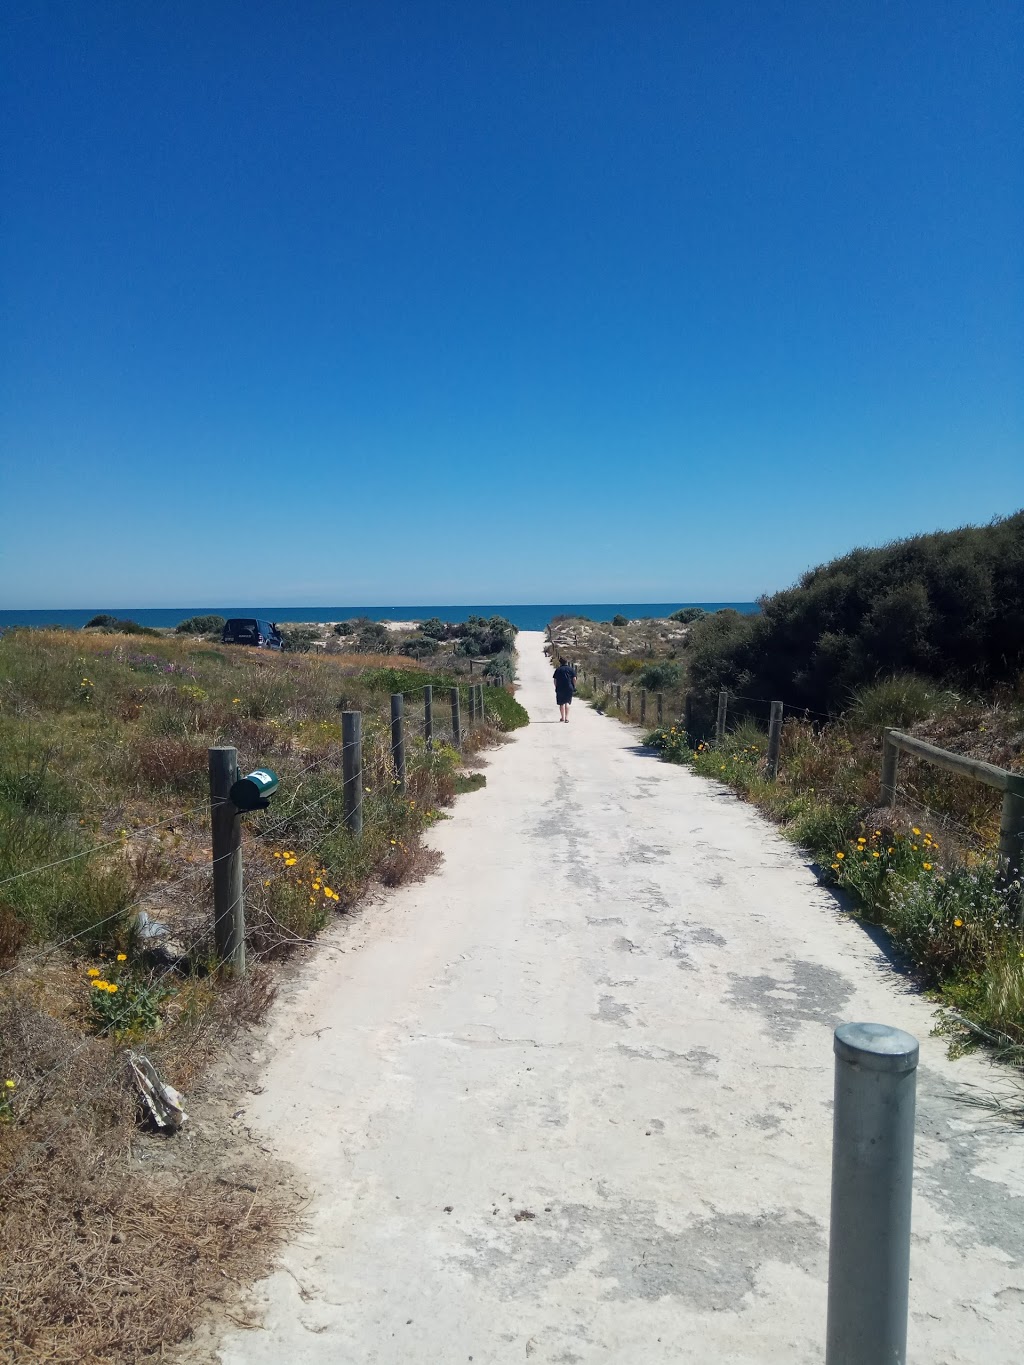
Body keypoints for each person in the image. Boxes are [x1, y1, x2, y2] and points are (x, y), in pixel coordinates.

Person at [553, 656, 576, 722]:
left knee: (561, 703)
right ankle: (567, 718)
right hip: (569, 687)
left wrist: (556, 687)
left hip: (560, 687)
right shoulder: (571, 669)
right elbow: (574, 679)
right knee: (567, 702)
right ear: (566, 662)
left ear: (560, 662)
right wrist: (574, 686)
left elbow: (555, 680)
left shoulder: (558, 670)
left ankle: (562, 717)